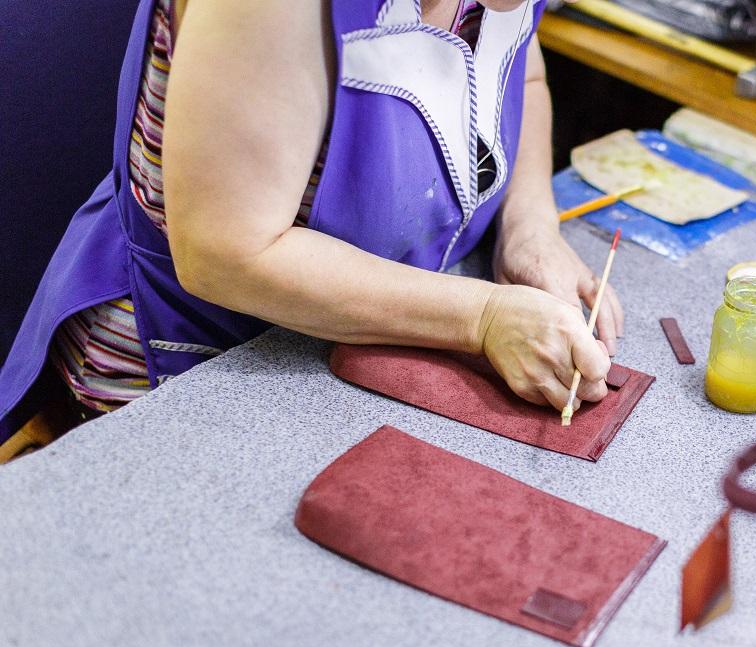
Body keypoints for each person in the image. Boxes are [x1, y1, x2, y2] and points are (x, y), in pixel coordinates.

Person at [0, 0, 623, 445]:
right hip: (198, 363)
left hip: (367, 338)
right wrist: (484, 317)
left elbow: (524, 72)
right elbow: (227, 255)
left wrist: (532, 226)